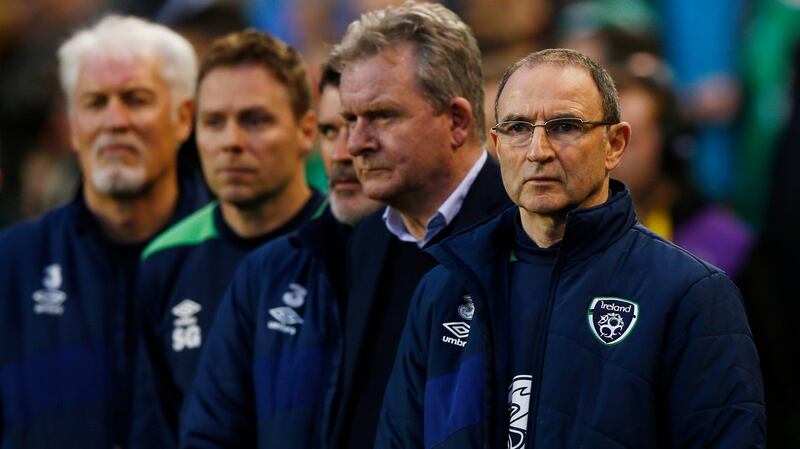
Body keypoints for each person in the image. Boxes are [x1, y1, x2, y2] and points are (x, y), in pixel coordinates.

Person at [375, 48, 766, 449]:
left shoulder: (690, 293)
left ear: (615, 143)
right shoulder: (443, 290)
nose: (538, 150)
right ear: (495, 146)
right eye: (517, 128)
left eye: (564, 126)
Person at [0, 15, 209, 448]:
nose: (115, 121)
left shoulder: (237, 259)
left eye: (136, 99)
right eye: (95, 103)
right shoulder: (12, 263)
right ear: (73, 126)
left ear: (183, 117)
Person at [128, 29, 325, 447]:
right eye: (214, 122)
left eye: (256, 121)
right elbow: (155, 426)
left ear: (306, 132)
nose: (231, 143)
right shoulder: (165, 259)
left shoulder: (350, 245)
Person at [328, 4, 512, 449]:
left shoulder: (527, 232)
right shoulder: (367, 238)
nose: (355, 144)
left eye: (383, 116)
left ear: (457, 121)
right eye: (352, 119)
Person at [179, 63, 381, 448]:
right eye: (330, 130)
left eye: (359, 127)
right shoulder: (266, 271)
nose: (342, 152)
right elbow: (210, 433)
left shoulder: (445, 265)